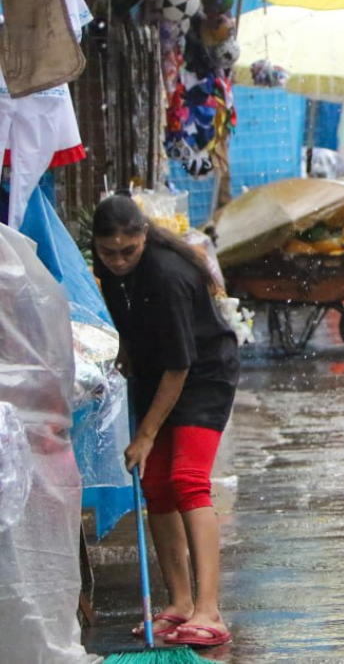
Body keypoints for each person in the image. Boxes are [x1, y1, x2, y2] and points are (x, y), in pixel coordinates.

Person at [92, 194, 239, 648]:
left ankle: (208, 609)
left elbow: (181, 365)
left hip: (202, 374)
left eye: (128, 251)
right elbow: (128, 329)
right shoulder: (115, 273)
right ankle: (178, 604)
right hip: (156, 374)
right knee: (155, 484)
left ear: (143, 238)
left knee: (186, 479)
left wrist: (146, 432)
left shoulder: (169, 274)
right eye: (108, 252)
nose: (118, 261)